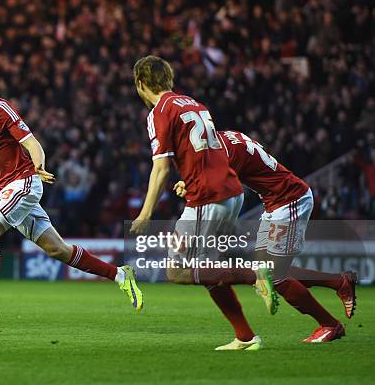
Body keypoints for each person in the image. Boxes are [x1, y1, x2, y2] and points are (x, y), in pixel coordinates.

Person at [0, 62, 143, 331]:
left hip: (24, 183)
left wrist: (39, 166)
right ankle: (120, 275)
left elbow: (31, 142)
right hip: (5, 190)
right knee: (58, 250)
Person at [129, 55, 269, 351]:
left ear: (141, 84)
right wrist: (189, 178)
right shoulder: (192, 103)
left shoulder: (159, 112)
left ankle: (254, 274)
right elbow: (207, 151)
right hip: (231, 192)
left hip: (208, 197)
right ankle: (245, 336)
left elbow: (161, 168)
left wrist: (145, 214)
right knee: (206, 268)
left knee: (176, 271)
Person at [191, 130, 355, 342]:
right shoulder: (230, 136)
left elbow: (225, 186)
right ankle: (339, 282)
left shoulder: (222, 152)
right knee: (269, 271)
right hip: (275, 202)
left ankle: (330, 325)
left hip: (289, 200)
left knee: (274, 277)